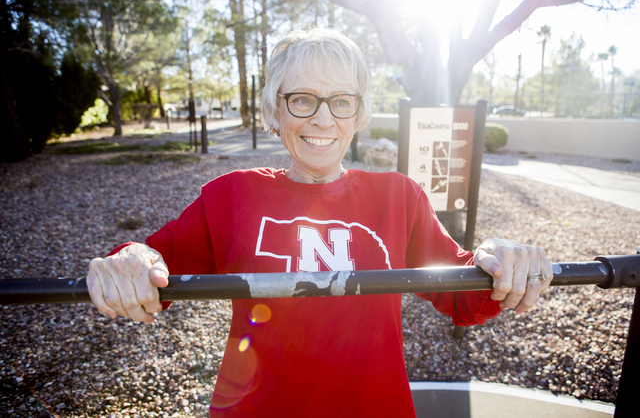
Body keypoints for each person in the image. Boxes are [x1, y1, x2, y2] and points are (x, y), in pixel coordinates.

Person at [88, 28, 553, 417]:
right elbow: (153, 265)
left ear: (358, 112)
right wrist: (129, 261)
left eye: (341, 101)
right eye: (302, 100)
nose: (323, 119)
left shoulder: (399, 197)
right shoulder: (230, 196)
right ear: (274, 110)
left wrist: (501, 262)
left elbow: (464, 297)